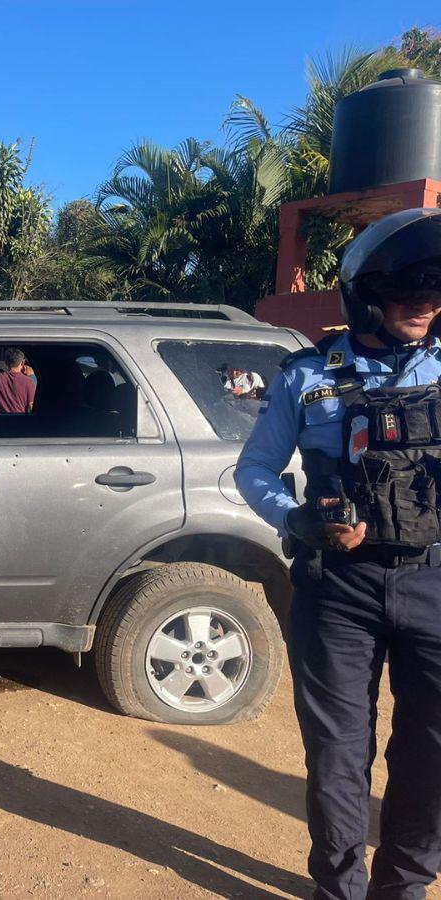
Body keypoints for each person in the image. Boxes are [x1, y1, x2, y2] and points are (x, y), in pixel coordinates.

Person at [235, 208, 441, 899]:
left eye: (436, 290)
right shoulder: (305, 375)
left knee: (432, 761)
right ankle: (339, 891)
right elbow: (254, 470)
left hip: (437, 584)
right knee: (336, 760)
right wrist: (295, 518)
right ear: (367, 292)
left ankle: (403, 890)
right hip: (338, 592)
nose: (424, 303)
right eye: (409, 287)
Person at [0, 349, 36, 414]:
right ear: (22, 363)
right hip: (20, 422)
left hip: (0, 422)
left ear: (6, 363)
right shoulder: (29, 382)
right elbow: (31, 408)